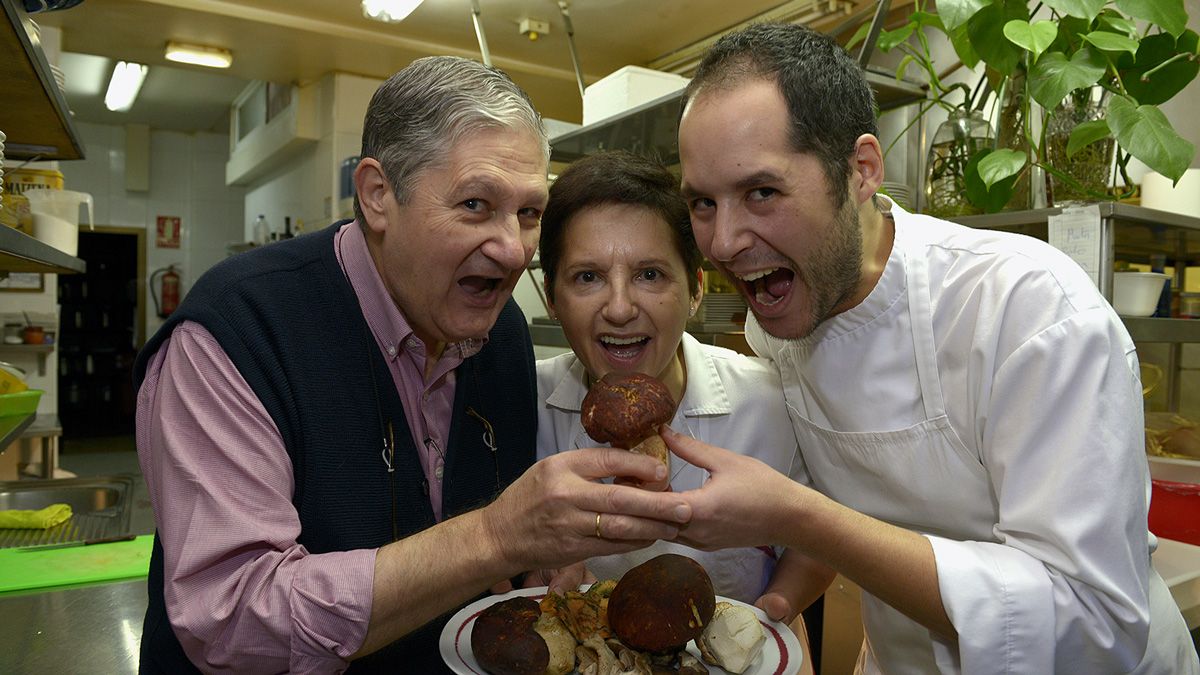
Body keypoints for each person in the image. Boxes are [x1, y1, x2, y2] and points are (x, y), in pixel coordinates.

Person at [665, 22, 1200, 674]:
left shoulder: (1025, 309)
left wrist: (799, 516)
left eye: (762, 192)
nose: (722, 242)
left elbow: (1090, 622)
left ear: (861, 170)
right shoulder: (779, 319)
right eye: (703, 202)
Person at [132, 56, 692, 674]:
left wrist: (537, 559)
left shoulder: (500, 333)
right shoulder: (240, 333)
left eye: (529, 213)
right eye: (475, 204)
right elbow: (231, 619)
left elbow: (480, 555)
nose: (513, 251)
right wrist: (495, 537)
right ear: (378, 195)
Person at [534, 151, 834, 612]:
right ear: (552, 300)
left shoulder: (774, 402)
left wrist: (776, 607)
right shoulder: (525, 405)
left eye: (649, 275)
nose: (619, 309)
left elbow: (819, 536)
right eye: (587, 277)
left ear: (696, 290)